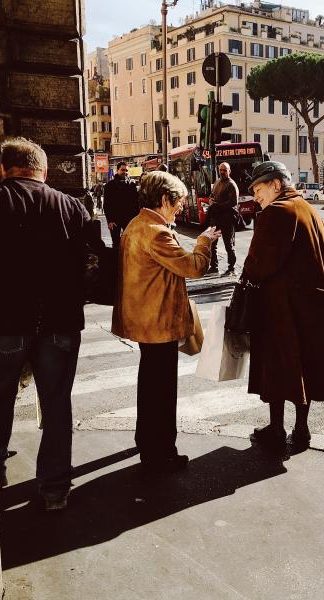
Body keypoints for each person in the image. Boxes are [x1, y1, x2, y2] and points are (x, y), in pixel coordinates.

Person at [0, 137, 89, 510]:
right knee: (56, 405)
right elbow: (90, 264)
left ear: (4, 168)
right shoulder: (72, 206)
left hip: (3, 319)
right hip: (60, 321)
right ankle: (54, 488)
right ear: (44, 171)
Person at [112, 171, 220, 473]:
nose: (181, 207)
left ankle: (148, 444)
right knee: (161, 392)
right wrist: (203, 241)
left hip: (144, 320)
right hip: (158, 323)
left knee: (149, 386)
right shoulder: (156, 232)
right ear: (163, 199)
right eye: (179, 201)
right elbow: (193, 267)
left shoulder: (136, 225)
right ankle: (161, 454)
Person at [241, 161, 324, 450]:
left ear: (276, 184)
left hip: (283, 307)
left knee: (276, 367)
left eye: (258, 189)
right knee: (307, 367)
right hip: (314, 304)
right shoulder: (309, 210)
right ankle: (301, 429)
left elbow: (259, 264)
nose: (256, 197)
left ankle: (276, 429)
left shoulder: (276, 212)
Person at [206, 162, 240, 276]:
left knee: (228, 244)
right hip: (216, 218)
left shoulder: (231, 184)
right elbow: (211, 195)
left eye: (224, 170)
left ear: (229, 171)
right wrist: (211, 200)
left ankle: (232, 268)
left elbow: (233, 202)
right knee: (212, 243)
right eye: (221, 170)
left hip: (227, 218)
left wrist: (218, 205)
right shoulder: (217, 182)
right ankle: (214, 266)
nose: (222, 172)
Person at [103, 162, 140, 250]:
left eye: (126, 170)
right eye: (122, 170)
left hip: (129, 219)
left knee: (130, 243)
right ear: (117, 170)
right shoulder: (110, 185)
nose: (125, 172)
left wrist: (136, 219)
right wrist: (110, 220)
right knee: (116, 244)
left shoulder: (132, 185)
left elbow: (136, 203)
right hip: (115, 220)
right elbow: (107, 204)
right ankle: (116, 262)